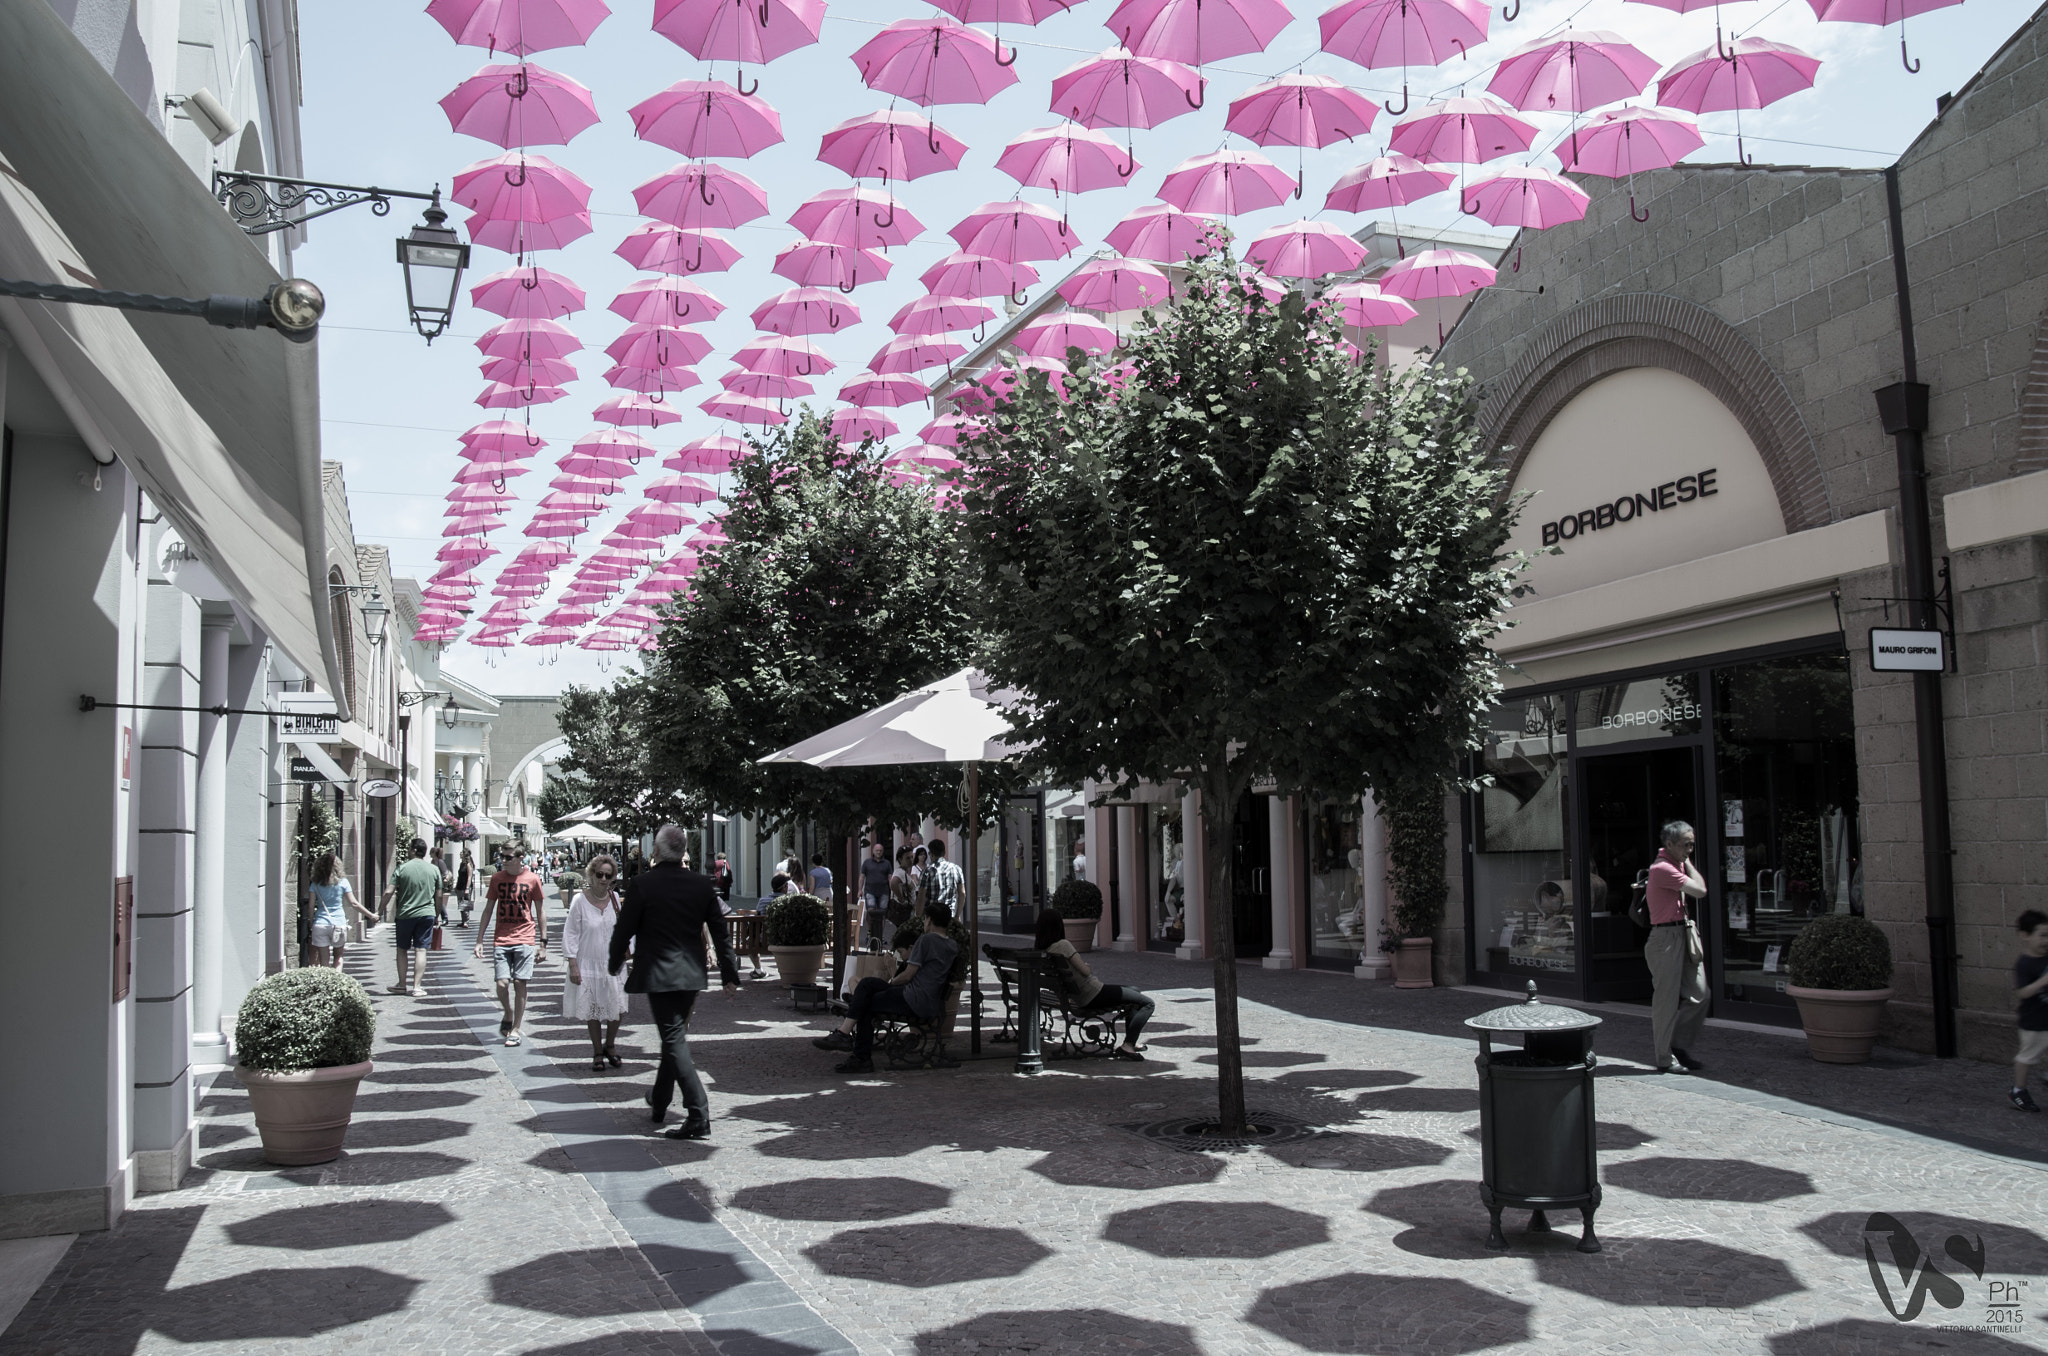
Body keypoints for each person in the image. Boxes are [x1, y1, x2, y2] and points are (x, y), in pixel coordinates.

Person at [609, 824, 740, 1140]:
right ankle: (660, 1100)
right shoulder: (701, 885)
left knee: (672, 1038)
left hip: (658, 972)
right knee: (674, 1037)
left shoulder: (642, 885)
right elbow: (720, 932)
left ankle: (698, 1112)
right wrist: (729, 973)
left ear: (656, 851)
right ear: (683, 851)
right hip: (691, 973)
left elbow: (623, 930)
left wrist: (614, 962)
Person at [814, 900, 959, 1074]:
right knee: (868, 984)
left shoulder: (926, 940)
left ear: (929, 920)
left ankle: (859, 1055)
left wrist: (891, 982)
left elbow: (908, 975)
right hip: (928, 1000)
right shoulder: (952, 945)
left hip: (913, 998)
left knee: (865, 1002)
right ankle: (845, 1032)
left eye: (925, 919)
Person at [1034, 907, 1153, 1060]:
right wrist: (1088, 966)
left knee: (1134, 991)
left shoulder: (1044, 951)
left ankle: (1131, 1040)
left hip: (1078, 996)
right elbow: (1085, 971)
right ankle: (1128, 1045)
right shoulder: (1063, 945)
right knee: (1147, 1004)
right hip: (1093, 994)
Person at [1645, 820, 1708, 1074]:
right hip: (1665, 939)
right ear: (1668, 844)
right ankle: (1664, 1057)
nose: (1689, 850)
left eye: (1692, 845)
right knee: (1666, 1002)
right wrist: (1689, 864)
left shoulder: (1675, 864)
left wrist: (1684, 861)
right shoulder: (1662, 868)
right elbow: (1701, 890)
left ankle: (1678, 1046)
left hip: (1683, 933)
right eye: (1685, 845)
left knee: (1700, 994)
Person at [473, 842, 547, 1046]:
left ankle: (516, 1028)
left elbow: (540, 911)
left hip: (525, 937)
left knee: (519, 983)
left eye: (508, 857)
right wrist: (479, 939)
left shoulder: (532, 879)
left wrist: (543, 942)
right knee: (501, 983)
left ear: (520, 857)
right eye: (501, 856)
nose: (503, 860)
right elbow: (488, 909)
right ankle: (508, 1011)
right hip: (502, 938)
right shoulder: (497, 879)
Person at [563, 852, 630, 1072]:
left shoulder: (614, 900)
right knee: (593, 1009)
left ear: (613, 878)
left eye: (608, 876)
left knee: (617, 1007)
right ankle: (597, 1052)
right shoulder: (579, 901)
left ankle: (610, 1044)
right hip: (588, 961)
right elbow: (571, 933)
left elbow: (625, 929)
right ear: (592, 874)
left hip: (613, 962)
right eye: (599, 874)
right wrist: (572, 963)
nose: (603, 879)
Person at [384, 838, 444, 996]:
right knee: (421, 950)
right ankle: (417, 986)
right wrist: (436, 914)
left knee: (402, 949)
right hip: (427, 914)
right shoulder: (433, 870)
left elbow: (388, 892)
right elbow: (439, 896)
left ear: (412, 850)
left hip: (405, 914)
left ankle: (402, 984)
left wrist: (379, 910)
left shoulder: (402, 868)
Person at [304, 852, 375, 969]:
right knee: (338, 957)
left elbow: (311, 906)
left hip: (320, 924)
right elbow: (354, 903)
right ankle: (338, 982)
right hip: (338, 923)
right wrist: (370, 915)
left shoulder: (315, 884)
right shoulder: (343, 882)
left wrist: (311, 922)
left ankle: (327, 984)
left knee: (323, 961)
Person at [2010, 909, 2048, 1112]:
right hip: (2033, 1021)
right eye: (2041, 935)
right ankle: (2018, 1090)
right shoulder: (2024, 964)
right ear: (2025, 936)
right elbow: (2022, 993)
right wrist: (2043, 981)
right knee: (2028, 1057)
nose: (2045, 941)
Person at [860, 842, 894, 948]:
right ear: (873, 852)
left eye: (880, 851)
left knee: (882, 914)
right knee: (870, 912)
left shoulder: (887, 863)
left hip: (883, 891)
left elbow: (890, 878)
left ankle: (880, 935)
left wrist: (892, 891)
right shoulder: (867, 863)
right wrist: (859, 890)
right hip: (870, 891)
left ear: (882, 852)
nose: (878, 852)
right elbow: (862, 877)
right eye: (877, 850)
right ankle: (870, 932)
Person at [927, 837, 964, 919]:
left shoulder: (927, 871)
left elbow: (921, 896)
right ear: (944, 852)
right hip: (950, 914)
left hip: (933, 915)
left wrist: (919, 917)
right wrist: (957, 915)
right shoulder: (956, 869)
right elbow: (962, 893)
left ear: (931, 854)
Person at [456, 847, 476, 928]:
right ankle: (463, 920)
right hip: (460, 886)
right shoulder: (462, 864)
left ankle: (466, 921)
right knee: (461, 904)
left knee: (466, 903)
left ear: (465, 854)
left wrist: (467, 888)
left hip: (465, 886)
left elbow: (469, 877)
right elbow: (459, 876)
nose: (460, 854)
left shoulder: (468, 864)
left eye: (462, 852)